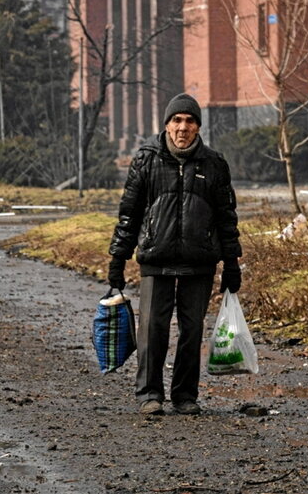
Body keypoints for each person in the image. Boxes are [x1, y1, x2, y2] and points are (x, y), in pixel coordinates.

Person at [107, 93, 242, 416]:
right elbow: (130, 213)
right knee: (152, 329)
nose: (183, 127)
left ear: (198, 126)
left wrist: (231, 262)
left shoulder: (214, 164)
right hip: (156, 258)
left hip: (199, 262)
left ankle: (185, 396)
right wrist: (118, 257)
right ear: (167, 124)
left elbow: (226, 216)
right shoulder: (146, 160)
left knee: (192, 330)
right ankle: (149, 394)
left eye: (190, 121)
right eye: (177, 120)